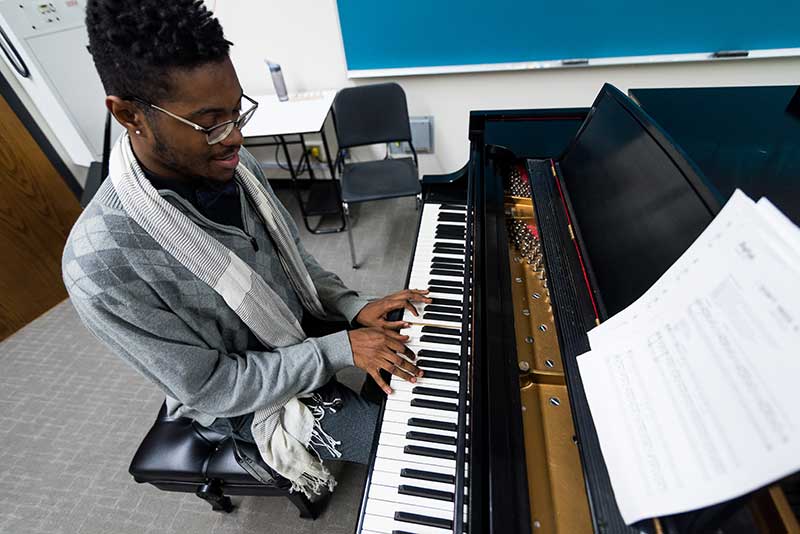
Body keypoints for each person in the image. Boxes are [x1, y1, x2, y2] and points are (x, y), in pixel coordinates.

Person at [63, 0, 429, 496]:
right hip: (244, 401)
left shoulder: (228, 163)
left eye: (238, 111)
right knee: (412, 443)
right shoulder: (101, 264)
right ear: (130, 115)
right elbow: (213, 387)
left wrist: (352, 307)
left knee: (433, 359)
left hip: (294, 332)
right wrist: (339, 348)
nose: (236, 137)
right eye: (210, 123)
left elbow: (296, 263)